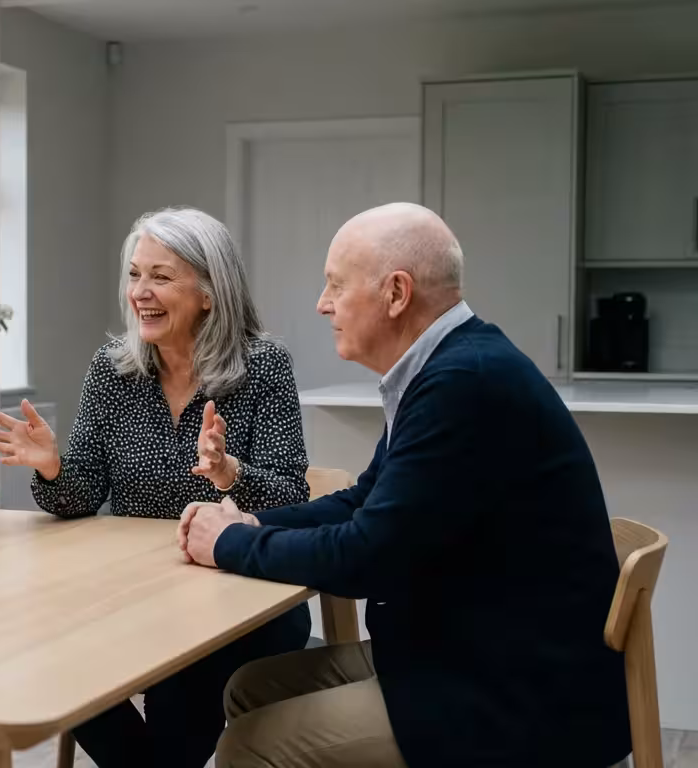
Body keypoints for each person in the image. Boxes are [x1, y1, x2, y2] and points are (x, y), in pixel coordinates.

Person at [180, 203, 630, 768]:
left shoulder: (462, 385)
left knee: (250, 744)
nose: (323, 304)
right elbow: (363, 501)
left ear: (396, 294)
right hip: (469, 649)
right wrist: (251, 523)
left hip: (519, 692)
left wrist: (228, 543)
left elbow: (369, 557)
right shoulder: (447, 368)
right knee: (248, 689)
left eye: (336, 286)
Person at [0, 206, 312, 768]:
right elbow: (82, 497)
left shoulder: (264, 366)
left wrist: (231, 474)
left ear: (210, 293)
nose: (141, 292)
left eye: (161, 276)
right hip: (130, 592)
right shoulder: (111, 372)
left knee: (175, 700)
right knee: (52, 656)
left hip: (240, 595)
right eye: (135, 275)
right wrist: (55, 467)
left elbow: (291, 502)